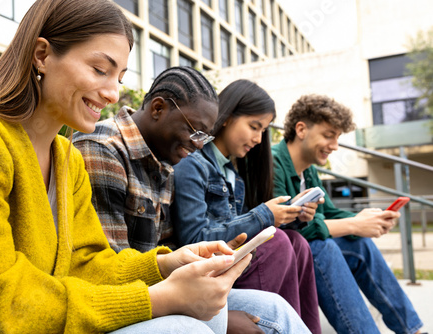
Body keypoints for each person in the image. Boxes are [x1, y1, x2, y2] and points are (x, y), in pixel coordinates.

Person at [0, 1, 252, 333]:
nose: (113, 94)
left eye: (120, 77)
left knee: (223, 313)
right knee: (185, 328)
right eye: (101, 70)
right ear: (42, 55)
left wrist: (164, 265)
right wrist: (160, 299)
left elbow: (86, 264)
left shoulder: (67, 158)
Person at [73, 67, 311, 334]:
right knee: (205, 325)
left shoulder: (164, 161)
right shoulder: (102, 150)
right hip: (114, 303)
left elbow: (166, 249)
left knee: (275, 310)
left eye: (204, 136)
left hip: (155, 289)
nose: (199, 146)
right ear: (158, 108)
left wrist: (206, 258)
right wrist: (207, 309)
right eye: (195, 132)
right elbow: (107, 274)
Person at [171, 79, 321, 333]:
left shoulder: (232, 173)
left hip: (231, 260)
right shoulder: (193, 163)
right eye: (254, 126)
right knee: (280, 243)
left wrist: (293, 215)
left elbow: (233, 225)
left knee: (297, 242)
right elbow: (194, 238)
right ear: (227, 117)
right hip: (208, 266)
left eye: (263, 130)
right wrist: (264, 216)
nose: (258, 138)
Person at [271, 94, 424, 334]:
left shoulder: (308, 171)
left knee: (359, 241)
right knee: (325, 247)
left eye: (337, 137)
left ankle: (412, 329)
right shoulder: (273, 162)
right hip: (280, 255)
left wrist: (368, 219)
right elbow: (287, 228)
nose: (334, 145)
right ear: (301, 129)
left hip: (304, 249)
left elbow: (329, 212)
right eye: (328, 135)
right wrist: (354, 224)